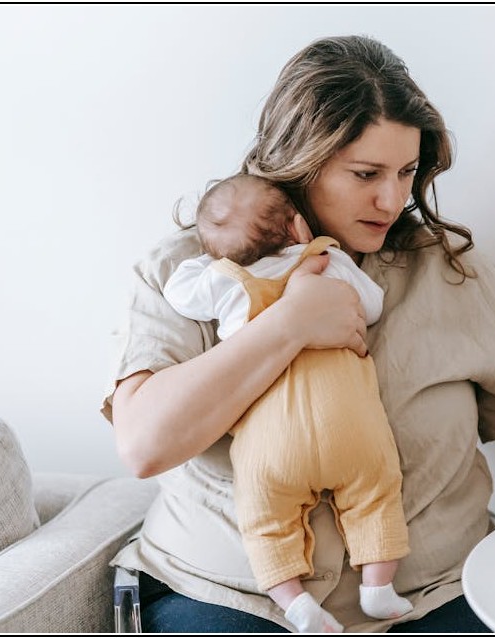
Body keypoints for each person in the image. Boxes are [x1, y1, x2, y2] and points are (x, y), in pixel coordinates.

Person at [103, 34, 495, 634]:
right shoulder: (189, 273)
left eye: (407, 172)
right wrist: (287, 326)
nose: (391, 199)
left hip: (434, 595)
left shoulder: (450, 271)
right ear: (298, 160)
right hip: (229, 596)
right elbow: (145, 445)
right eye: (366, 173)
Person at [162, 173, 412, 632]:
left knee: (264, 519)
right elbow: (372, 305)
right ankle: (378, 588)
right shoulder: (325, 259)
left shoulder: (229, 282)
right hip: (350, 426)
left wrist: (212, 259)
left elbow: (179, 292)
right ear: (298, 226)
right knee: (377, 494)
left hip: (271, 442)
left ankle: (294, 603)